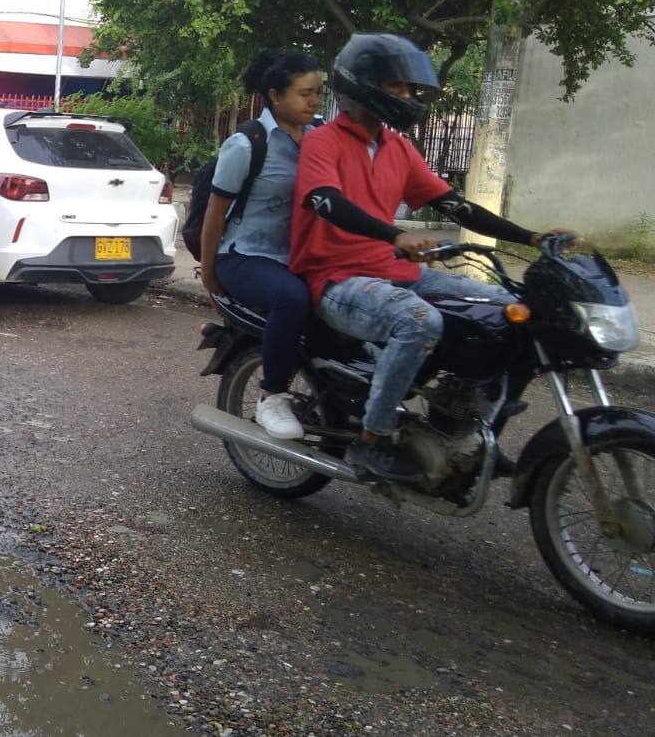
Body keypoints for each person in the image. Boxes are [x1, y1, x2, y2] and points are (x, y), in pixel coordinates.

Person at [290, 33, 573, 482]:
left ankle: (467, 425)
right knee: (419, 322)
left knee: (508, 311)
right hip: (336, 278)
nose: (406, 97)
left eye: (408, 89)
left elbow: (454, 206)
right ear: (363, 86)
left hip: (396, 273)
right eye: (396, 87)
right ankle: (372, 440)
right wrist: (394, 233)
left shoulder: (398, 148)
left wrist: (532, 237)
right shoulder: (322, 142)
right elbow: (325, 200)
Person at [199, 50, 323, 440]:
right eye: (305, 94)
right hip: (245, 255)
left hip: (300, 254)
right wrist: (210, 274)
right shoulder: (248, 143)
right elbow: (215, 214)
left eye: (317, 92)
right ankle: (273, 393)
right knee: (291, 299)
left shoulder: (321, 138)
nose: (314, 101)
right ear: (275, 96)